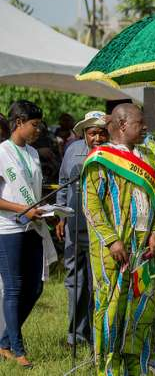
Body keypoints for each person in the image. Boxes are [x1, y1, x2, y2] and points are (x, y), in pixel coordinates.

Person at [82, 103, 155, 375]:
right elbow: (91, 204)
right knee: (110, 309)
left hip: (146, 250)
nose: (145, 127)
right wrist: (111, 240)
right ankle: (108, 369)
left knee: (143, 309)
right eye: (139, 123)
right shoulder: (100, 159)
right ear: (121, 125)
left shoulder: (149, 157)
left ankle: (138, 367)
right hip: (113, 252)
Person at [0, 100, 58, 368]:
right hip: (9, 228)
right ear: (19, 122)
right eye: (34, 125)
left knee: (35, 287)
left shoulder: (33, 153)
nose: (38, 130)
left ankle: (3, 342)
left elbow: (34, 191)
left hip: (33, 225)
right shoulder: (2, 152)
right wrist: (22, 209)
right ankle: (18, 350)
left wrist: (49, 209)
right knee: (14, 288)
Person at [56, 111, 108, 347]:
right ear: (85, 134)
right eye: (92, 133)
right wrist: (60, 217)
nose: (97, 138)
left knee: (98, 282)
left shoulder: (115, 154)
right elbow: (63, 186)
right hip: (75, 227)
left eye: (101, 132)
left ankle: (100, 335)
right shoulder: (72, 151)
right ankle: (75, 335)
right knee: (74, 282)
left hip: (104, 231)